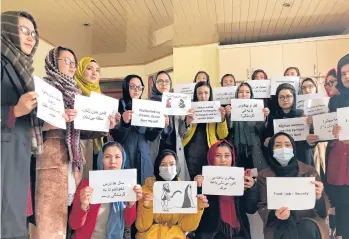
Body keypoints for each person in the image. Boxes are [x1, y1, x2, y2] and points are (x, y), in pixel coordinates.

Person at [31, 47, 117, 239]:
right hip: (50, 160)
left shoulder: (75, 92)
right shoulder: (44, 88)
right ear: (53, 62)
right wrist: (56, 121)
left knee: (70, 214)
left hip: (73, 163)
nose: (71, 66)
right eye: (66, 61)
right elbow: (30, 123)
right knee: (49, 218)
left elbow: (83, 130)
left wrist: (105, 125)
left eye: (73, 62)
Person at [1, 11, 40, 239]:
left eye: (33, 33)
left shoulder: (23, 69)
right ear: (7, 30)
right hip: (5, 157)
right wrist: (14, 111)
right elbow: (16, 111)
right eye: (23, 30)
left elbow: (26, 117)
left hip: (20, 155)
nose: (30, 37)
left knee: (17, 223)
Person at [258, 132, 329, 239]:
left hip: (308, 221)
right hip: (279, 225)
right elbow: (263, 206)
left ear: (293, 148)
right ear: (271, 150)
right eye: (278, 145)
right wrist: (275, 214)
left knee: (306, 228)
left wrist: (319, 197)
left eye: (287, 145)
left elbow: (323, 211)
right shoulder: (264, 176)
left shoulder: (309, 171)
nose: (283, 149)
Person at [69, 141, 142, 239]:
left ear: (123, 160)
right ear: (101, 159)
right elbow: (74, 224)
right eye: (107, 156)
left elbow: (128, 222)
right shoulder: (87, 185)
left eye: (117, 157)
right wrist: (83, 205)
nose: (113, 161)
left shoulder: (128, 186)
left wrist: (131, 204)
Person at [135, 150, 209, 239]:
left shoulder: (184, 189)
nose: (168, 168)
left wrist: (198, 208)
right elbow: (142, 227)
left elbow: (187, 227)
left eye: (172, 164)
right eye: (163, 165)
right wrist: (147, 208)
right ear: (157, 167)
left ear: (177, 166)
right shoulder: (145, 190)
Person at [194, 140, 259, 239]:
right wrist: (196, 187)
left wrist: (252, 189)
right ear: (211, 157)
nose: (223, 160)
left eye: (227, 155)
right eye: (218, 155)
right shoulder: (202, 179)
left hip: (239, 234)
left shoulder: (240, 178)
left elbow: (251, 209)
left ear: (232, 157)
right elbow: (195, 212)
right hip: (212, 235)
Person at [110, 74, 163, 185]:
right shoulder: (117, 107)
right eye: (132, 86)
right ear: (125, 87)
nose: (136, 90)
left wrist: (159, 125)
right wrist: (124, 123)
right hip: (125, 156)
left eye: (140, 87)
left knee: (145, 195)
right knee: (127, 194)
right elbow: (116, 137)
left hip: (144, 157)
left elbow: (150, 137)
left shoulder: (146, 107)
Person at [148, 71, 191, 181]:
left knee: (175, 181)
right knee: (155, 182)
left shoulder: (176, 102)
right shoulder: (149, 103)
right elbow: (147, 133)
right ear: (154, 84)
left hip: (174, 149)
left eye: (167, 81)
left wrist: (187, 122)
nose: (164, 84)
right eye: (160, 81)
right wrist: (159, 125)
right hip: (156, 148)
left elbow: (181, 133)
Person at [183, 81, 228, 179]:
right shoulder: (189, 109)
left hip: (209, 150)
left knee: (208, 179)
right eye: (200, 93)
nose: (203, 96)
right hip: (190, 150)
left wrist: (222, 119)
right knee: (192, 179)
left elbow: (223, 135)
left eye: (206, 93)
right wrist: (187, 122)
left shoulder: (216, 109)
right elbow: (183, 134)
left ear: (210, 94)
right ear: (196, 94)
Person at [264, 83, 315, 166]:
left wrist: (311, 130)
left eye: (288, 96)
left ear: (294, 97)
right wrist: (267, 141)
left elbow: (313, 140)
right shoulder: (273, 116)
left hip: (302, 158)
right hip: (281, 161)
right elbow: (267, 137)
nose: (285, 100)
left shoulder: (303, 115)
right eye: (281, 97)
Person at [327, 54, 349, 239]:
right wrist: (331, 131)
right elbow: (326, 130)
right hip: (340, 161)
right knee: (343, 208)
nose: (347, 76)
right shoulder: (334, 101)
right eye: (343, 73)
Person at [225, 82, 270, 170]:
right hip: (237, 147)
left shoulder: (259, 108)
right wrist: (228, 115)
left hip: (255, 147)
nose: (244, 94)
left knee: (254, 173)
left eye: (247, 92)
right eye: (241, 92)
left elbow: (262, 130)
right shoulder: (231, 108)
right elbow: (228, 129)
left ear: (251, 94)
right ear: (237, 94)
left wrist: (264, 117)